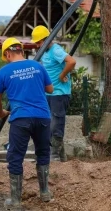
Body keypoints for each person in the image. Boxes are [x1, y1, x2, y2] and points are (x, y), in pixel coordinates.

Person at [0, 37, 54, 209]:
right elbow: (50, 89)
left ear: (7, 53)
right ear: (21, 50)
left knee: (15, 157)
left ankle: (16, 201)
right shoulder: (38, 66)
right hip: (43, 116)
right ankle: (45, 193)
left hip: (20, 119)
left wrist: (1, 114)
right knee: (43, 153)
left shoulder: (4, 72)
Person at [31, 25, 76, 162]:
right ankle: (61, 156)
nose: (37, 45)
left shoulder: (55, 50)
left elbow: (72, 62)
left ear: (46, 39)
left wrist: (62, 75)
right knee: (47, 123)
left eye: (39, 42)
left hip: (60, 93)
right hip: (49, 93)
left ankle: (55, 154)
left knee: (56, 123)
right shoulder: (45, 52)